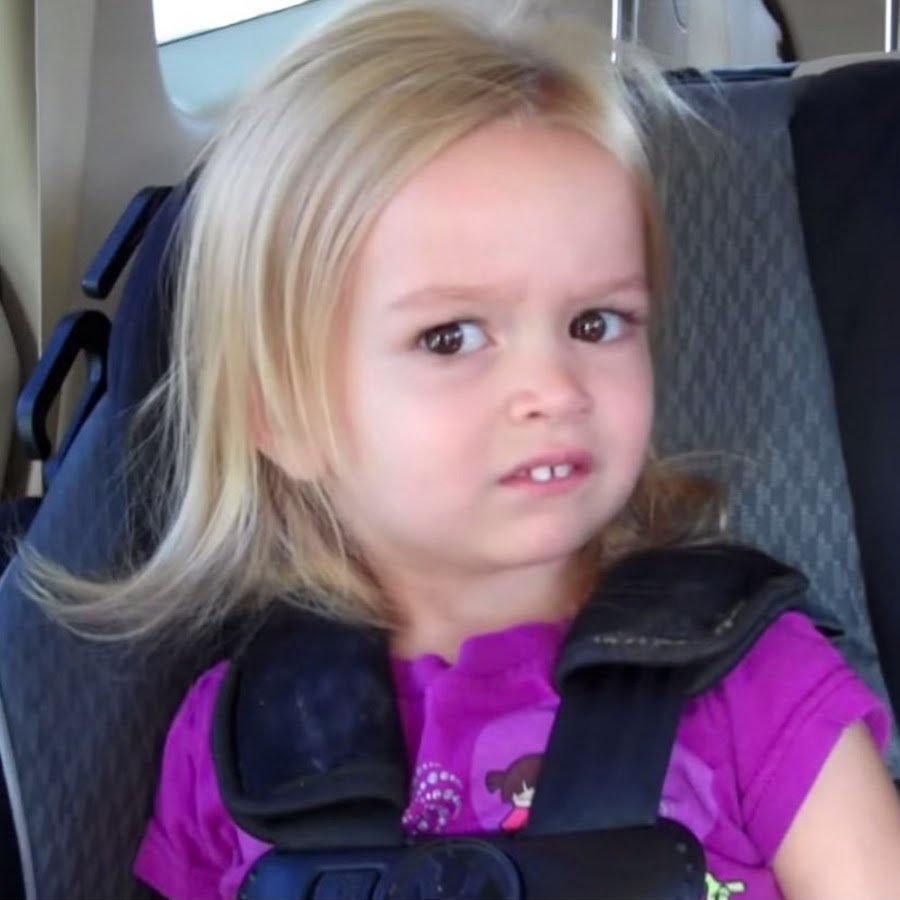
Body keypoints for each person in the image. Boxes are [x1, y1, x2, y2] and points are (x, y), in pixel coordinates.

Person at [19, 1, 900, 898]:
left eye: (596, 322)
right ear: (285, 417)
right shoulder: (241, 739)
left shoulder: (757, 680)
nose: (554, 387)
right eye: (451, 337)